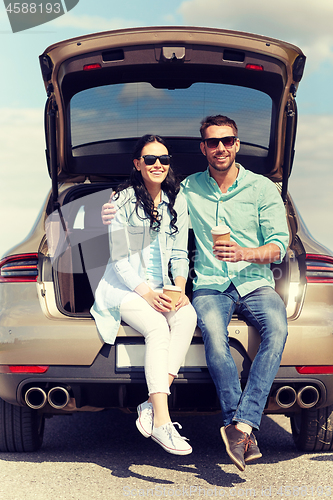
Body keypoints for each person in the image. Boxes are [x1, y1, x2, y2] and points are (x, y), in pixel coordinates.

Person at [101, 116, 289, 471]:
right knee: (215, 337)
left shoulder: (263, 188)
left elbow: (281, 245)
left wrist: (244, 253)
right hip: (211, 285)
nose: (220, 148)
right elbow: (143, 202)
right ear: (203, 147)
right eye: (212, 142)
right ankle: (228, 425)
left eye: (227, 141)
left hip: (255, 282)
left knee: (278, 329)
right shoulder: (187, 189)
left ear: (236, 144)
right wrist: (110, 205)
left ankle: (241, 424)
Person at [91, 134, 197, 456]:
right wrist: (148, 294)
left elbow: (180, 254)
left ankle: (151, 404)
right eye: (150, 159)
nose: (158, 165)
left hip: (161, 287)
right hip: (123, 289)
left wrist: (177, 289)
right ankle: (163, 424)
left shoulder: (177, 200)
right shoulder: (120, 201)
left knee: (187, 315)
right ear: (137, 164)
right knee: (157, 327)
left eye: (163, 159)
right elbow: (120, 259)